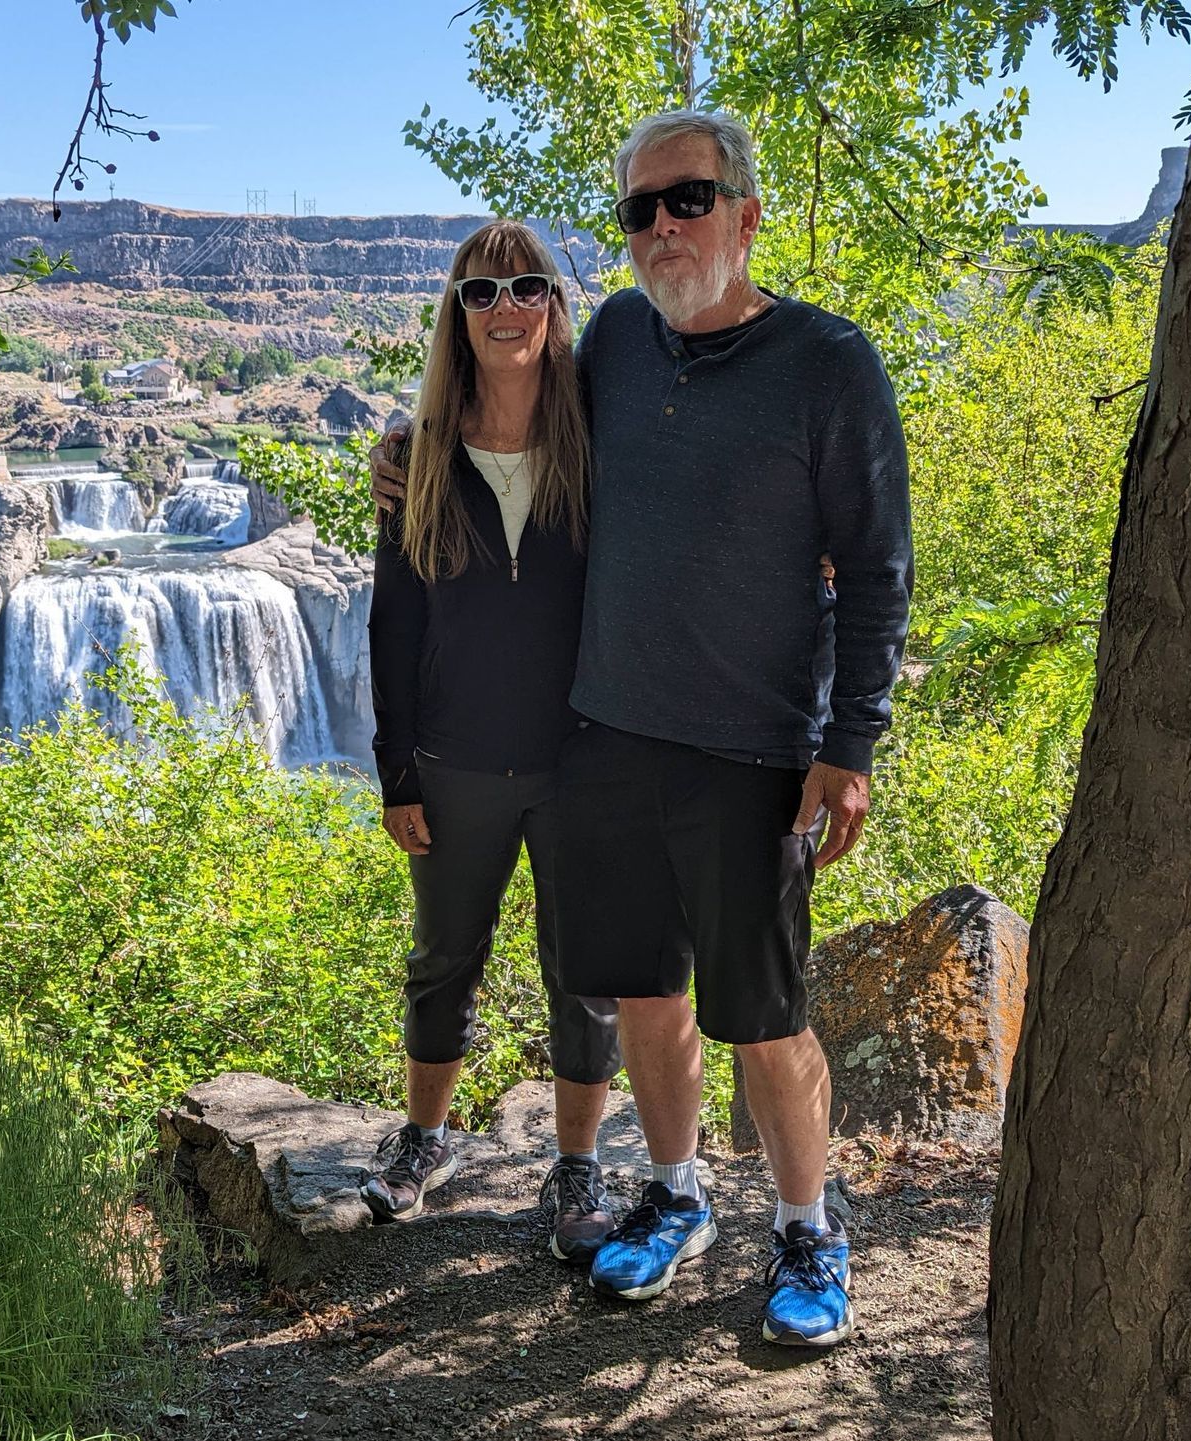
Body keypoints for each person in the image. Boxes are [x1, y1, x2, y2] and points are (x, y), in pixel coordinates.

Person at [374, 111, 911, 1347]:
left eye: (690, 200)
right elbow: (503, 403)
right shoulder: (613, 337)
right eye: (641, 210)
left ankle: (808, 1226)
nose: (664, 227)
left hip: (753, 751)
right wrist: (410, 455)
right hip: (604, 739)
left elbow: (877, 570)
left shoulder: (830, 363)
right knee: (647, 1000)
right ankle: (678, 1197)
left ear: (746, 212)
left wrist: (850, 745)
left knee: (767, 1017)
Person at [360, 219, 623, 1266]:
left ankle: (577, 1167)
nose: (505, 308)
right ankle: (426, 1142)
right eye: (481, 292)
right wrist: (395, 768)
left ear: (555, 310)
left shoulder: (603, 448)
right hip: (457, 765)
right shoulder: (416, 461)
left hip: (580, 762)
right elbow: (395, 624)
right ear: (456, 318)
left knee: (585, 973)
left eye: (526, 287)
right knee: (442, 962)